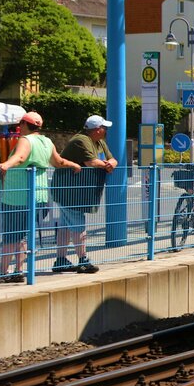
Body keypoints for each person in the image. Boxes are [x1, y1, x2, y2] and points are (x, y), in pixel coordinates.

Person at [0, 112, 80, 284]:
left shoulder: (25, 140)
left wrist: (5, 165)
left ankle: (2, 272)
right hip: (39, 196)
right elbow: (59, 162)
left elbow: (19, 158)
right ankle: (18, 270)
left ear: (24, 125)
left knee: (11, 235)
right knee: (23, 235)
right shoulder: (46, 142)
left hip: (17, 197)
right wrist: (74, 165)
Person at [53, 115, 117, 273]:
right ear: (97, 130)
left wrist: (111, 163)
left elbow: (112, 158)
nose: (106, 130)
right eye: (104, 128)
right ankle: (83, 259)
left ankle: (60, 260)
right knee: (77, 224)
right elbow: (91, 163)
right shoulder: (81, 140)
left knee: (65, 226)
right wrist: (107, 165)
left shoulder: (99, 142)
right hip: (69, 191)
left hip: (78, 191)